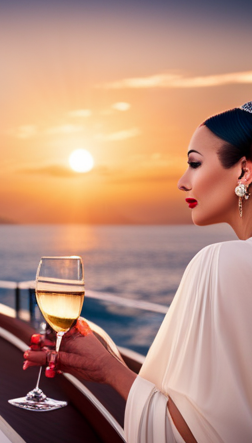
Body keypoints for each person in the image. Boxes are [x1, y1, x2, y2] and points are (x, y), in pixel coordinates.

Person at [24, 102, 252, 443]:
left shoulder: (221, 260)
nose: (182, 182)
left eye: (194, 163)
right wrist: (107, 357)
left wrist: (108, 370)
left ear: (244, 171)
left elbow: (191, 436)